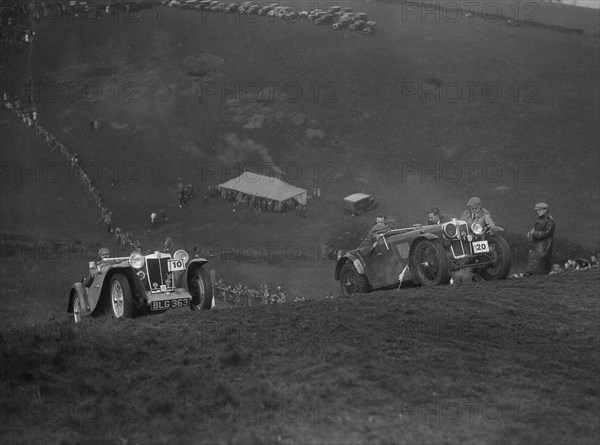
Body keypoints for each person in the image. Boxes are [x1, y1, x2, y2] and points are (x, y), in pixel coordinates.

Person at [524, 202, 555, 276]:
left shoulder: (550, 220)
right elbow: (536, 228)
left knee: (540, 257)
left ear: (545, 210)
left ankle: (535, 273)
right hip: (537, 242)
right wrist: (531, 232)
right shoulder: (538, 219)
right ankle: (530, 272)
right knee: (533, 257)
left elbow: (547, 233)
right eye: (537, 210)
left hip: (545, 243)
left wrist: (534, 233)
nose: (537, 212)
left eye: (539, 210)